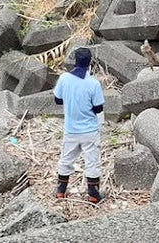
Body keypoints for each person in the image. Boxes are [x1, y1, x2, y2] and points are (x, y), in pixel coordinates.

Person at [54, 47, 106, 204]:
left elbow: (57, 99)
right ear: (90, 62)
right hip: (89, 130)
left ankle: (61, 191)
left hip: (71, 129)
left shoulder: (64, 79)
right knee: (92, 162)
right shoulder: (93, 83)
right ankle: (93, 194)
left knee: (66, 159)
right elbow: (98, 108)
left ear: (75, 61)